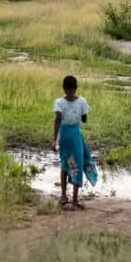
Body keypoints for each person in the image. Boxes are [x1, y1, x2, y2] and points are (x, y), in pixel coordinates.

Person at [52, 74, 98, 210]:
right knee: (76, 164)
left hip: (64, 136)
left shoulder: (59, 102)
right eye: (71, 90)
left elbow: (57, 121)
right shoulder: (81, 101)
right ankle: (74, 201)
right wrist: (81, 114)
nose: (71, 93)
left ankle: (63, 196)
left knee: (65, 164)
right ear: (76, 88)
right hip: (75, 136)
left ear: (63, 88)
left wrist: (54, 140)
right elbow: (84, 119)